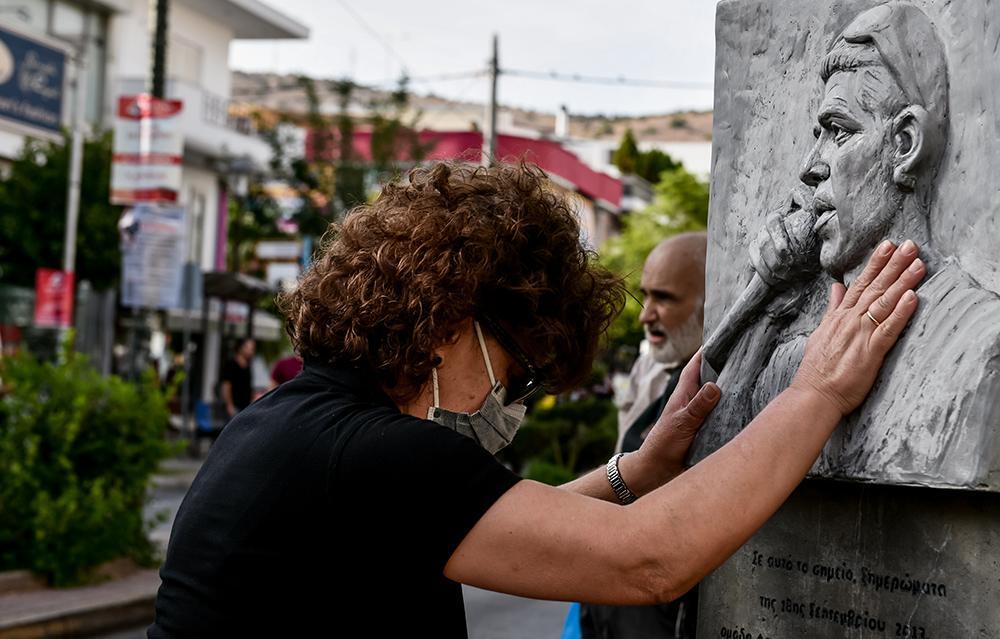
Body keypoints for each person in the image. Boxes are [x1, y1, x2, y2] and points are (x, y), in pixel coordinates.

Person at [149, 162, 923, 637]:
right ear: (451, 322)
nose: (508, 400)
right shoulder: (381, 453)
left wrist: (634, 472)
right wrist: (820, 388)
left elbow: (490, 527)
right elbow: (650, 560)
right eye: (516, 371)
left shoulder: (294, 423)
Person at [698, 1, 1000, 487]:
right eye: (816, 135)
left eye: (838, 132)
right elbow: (710, 477)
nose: (809, 167)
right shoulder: (792, 356)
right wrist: (770, 303)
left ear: (905, 144)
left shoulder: (980, 342)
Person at [580, 233, 706, 638]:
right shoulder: (649, 367)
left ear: (712, 300)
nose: (645, 316)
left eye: (664, 298)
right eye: (645, 295)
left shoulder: (715, 386)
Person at [219, 338, 254, 419]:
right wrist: (229, 405)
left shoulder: (248, 366)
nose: (251, 352)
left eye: (252, 349)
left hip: (245, 407)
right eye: (249, 348)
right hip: (234, 407)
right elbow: (226, 385)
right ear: (241, 348)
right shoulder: (231, 364)